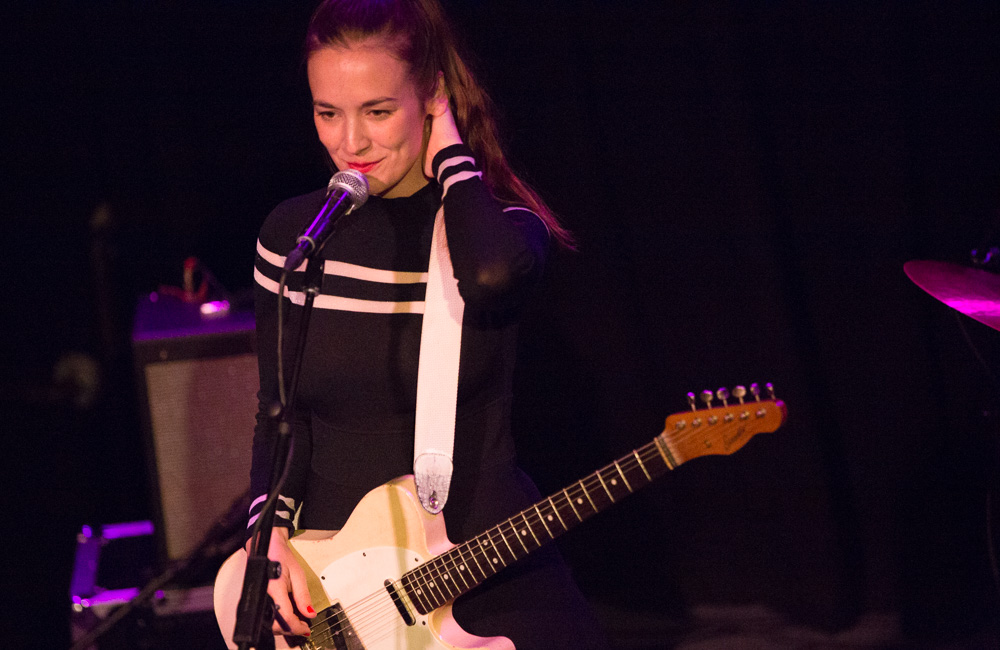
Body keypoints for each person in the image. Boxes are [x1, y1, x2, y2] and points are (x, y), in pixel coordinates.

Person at [246, 0, 607, 647]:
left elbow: (492, 277)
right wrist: (266, 536)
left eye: (378, 111)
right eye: (328, 113)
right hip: (336, 584)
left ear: (431, 98)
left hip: (480, 558)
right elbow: (281, 413)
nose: (350, 143)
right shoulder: (291, 237)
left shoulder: (498, 231)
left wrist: (451, 154)